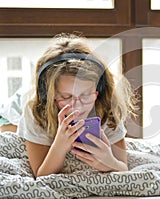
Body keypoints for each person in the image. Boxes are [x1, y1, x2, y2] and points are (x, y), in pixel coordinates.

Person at [17, 33, 138, 178]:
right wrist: (60, 146)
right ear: (49, 95)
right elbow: (41, 174)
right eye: (66, 96)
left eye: (86, 95)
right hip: (19, 109)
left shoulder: (108, 107)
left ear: (98, 89)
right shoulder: (35, 112)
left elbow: (122, 167)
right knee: (8, 125)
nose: (77, 106)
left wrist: (109, 161)